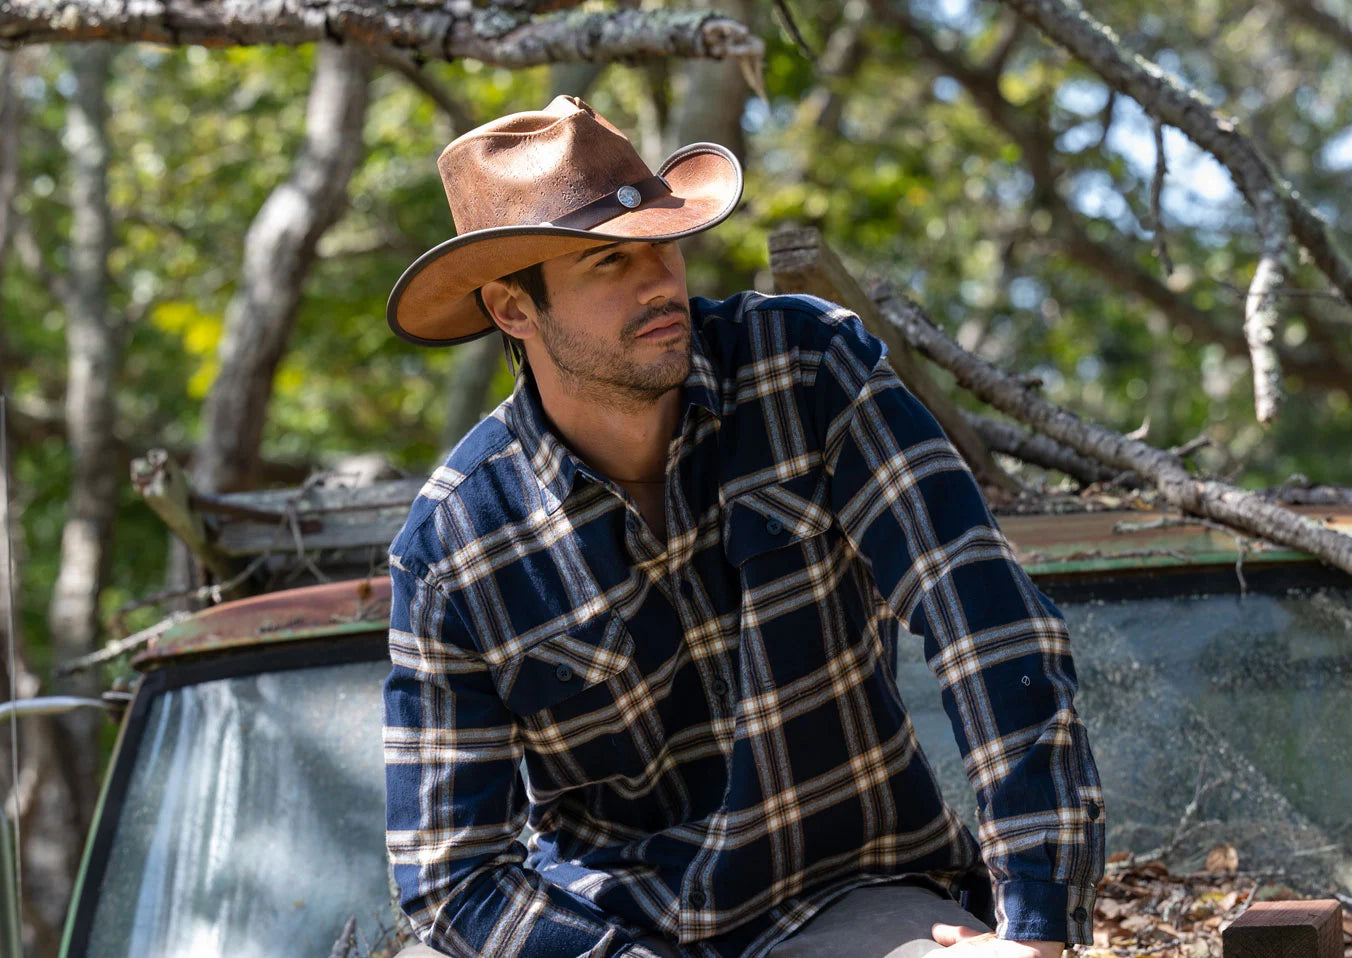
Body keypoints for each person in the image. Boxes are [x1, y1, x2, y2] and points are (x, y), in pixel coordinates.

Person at [381, 95, 1104, 958]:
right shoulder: (451, 548)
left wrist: (1035, 927)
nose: (659, 281)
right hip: (612, 935)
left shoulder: (807, 369)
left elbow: (987, 624)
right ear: (511, 310)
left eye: (664, 243)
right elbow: (451, 878)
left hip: (848, 899)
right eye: (610, 263)